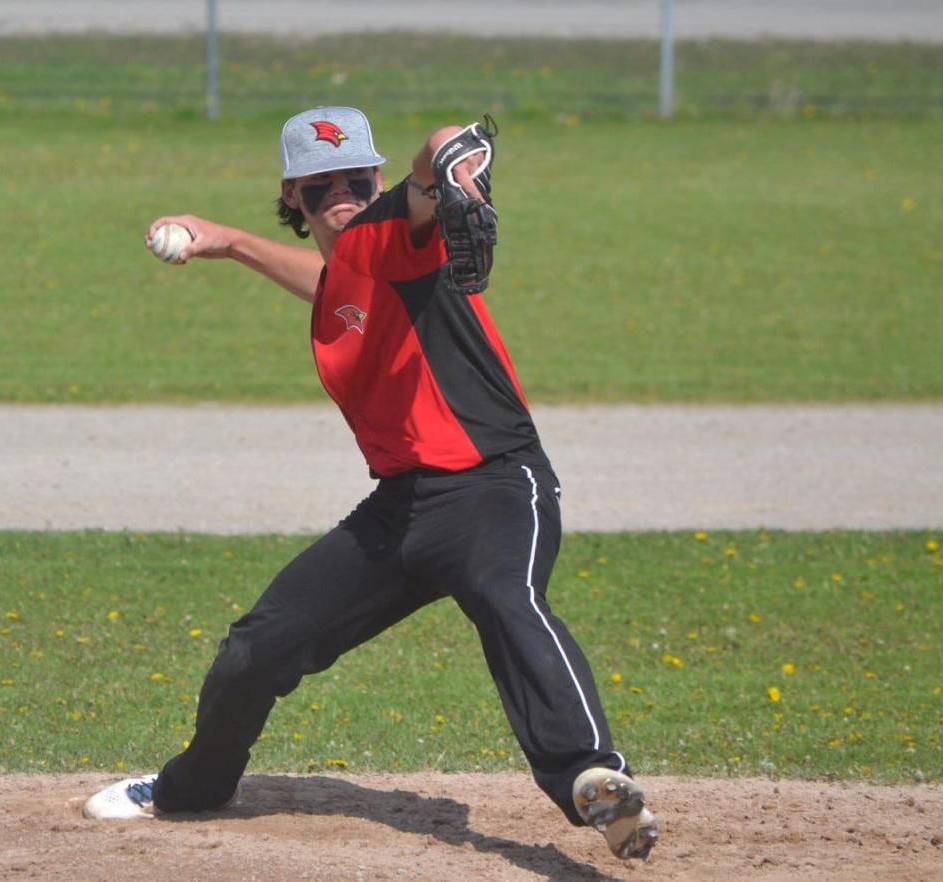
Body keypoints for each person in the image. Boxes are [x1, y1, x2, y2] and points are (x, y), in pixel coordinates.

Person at [83, 105, 659, 862]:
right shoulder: (345, 277)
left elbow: (432, 160)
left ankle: (592, 777)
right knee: (257, 648)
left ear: (381, 179)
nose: (343, 191)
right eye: (321, 185)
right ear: (293, 195)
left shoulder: (400, 234)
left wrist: (452, 162)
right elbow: (328, 279)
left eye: (359, 175)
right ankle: (195, 786)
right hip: (400, 512)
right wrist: (224, 241)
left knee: (502, 595)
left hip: (494, 486)